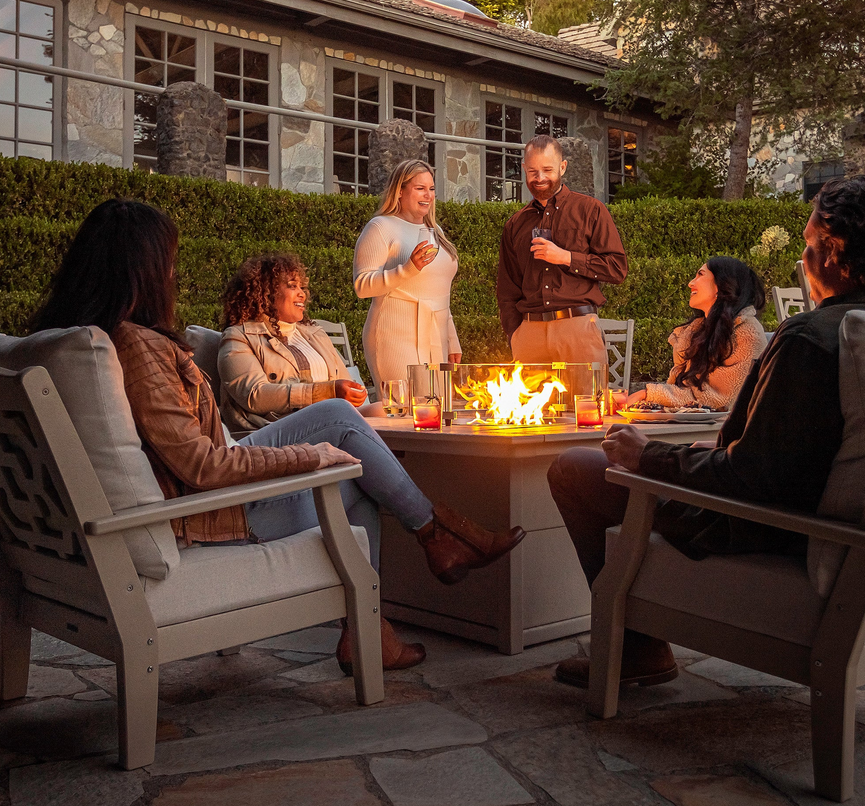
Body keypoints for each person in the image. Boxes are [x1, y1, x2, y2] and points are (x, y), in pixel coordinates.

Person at [31, 199, 524, 674]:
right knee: (341, 443)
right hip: (215, 514)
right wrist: (305, 456)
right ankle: (434, 538)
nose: (173, 277)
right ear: (137, 271)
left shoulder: (89, 341)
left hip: (204, 500)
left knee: (355, 471)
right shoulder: (136, 345)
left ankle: (386, 605)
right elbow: (203, 465)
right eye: (169, 265)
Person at [547, 176, 865, 689]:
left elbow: (752, 480)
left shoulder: (813, 338)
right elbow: (797, 449)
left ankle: (637, 646)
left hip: (765, 526)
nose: (805, 260)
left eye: (809, 245)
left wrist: (649, 457)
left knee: (577, 467)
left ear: (833, 254)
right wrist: (720, 448)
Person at [496, 135, 627, 366]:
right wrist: (514, 334)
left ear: (562, 167)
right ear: (524, 169)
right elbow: (507, 289)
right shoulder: (515, 224)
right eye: (533, 171)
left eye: (547, 169)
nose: (540, 178)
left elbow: (617, 269)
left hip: (578, 329)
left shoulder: (591, 210)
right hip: (529, 334)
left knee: (586, 402)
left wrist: (566, 257)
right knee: (527, 403)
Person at [219, 252, 375, 434]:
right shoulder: (240, 337)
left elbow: (346, 388)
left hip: (334, 421)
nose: (302, 294)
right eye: (293, 286)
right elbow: (255, 395)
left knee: (394, 414)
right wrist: (327, 392)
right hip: (277, 432)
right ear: (266, 293)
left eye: (302, 287)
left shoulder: (315, 334)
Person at [354, 160, 461, 386]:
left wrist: (452, 339)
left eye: (431, 189)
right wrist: (408, 269)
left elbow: (440, 291)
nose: (428, 195)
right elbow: (362, 286)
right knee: (403, 409)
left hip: (437, 334)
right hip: (394, 334)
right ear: (400, 191)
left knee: (435, 411)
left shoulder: (436, 231)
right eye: (420, 188)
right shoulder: (380, 227)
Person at [617, 257, 768, 411]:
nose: (690, 283)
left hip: (723, 431)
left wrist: (647, 394)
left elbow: (722, 399)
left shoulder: (748, 334)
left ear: (721, 285)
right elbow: (687, 392)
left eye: (700, 275)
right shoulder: (698, 332)